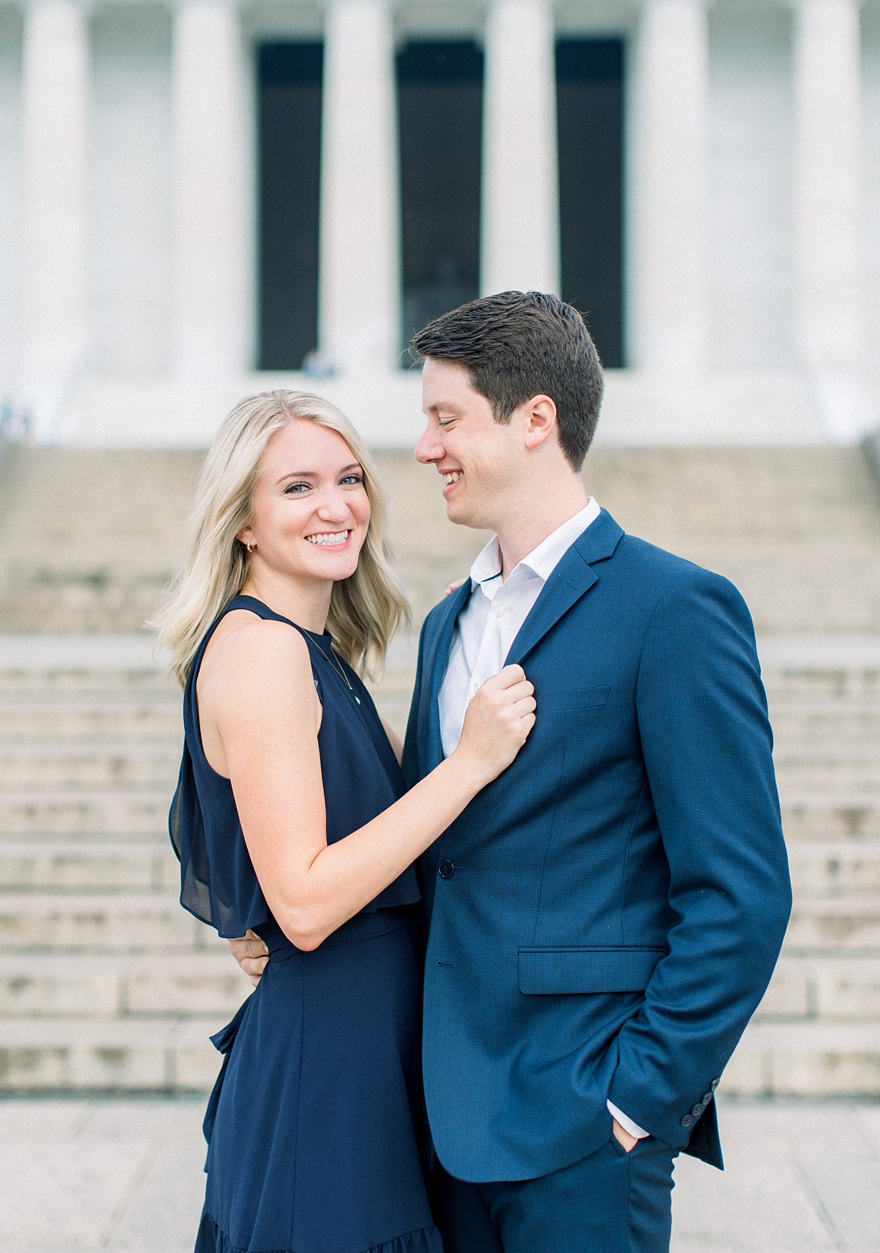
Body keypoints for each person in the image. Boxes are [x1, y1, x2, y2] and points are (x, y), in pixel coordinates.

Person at [237, 294, 793, 1253]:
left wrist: (635, 1101)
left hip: (583, 1129)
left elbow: (741, 896)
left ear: (536, 420)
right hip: (434, 1126)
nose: (422, 448)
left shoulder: (676, 609)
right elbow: (434, 853)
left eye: (446, 419)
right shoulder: (449, 621)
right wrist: (284, 920)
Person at [154, 388, 536, 1253]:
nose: (336, 507)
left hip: (361, 1048)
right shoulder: (264, 650)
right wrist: (472, 761)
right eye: (296, 487)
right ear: (242, 520)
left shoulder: (311, 649)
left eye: (350, 478)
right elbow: (307, 900)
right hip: (328, 1067)